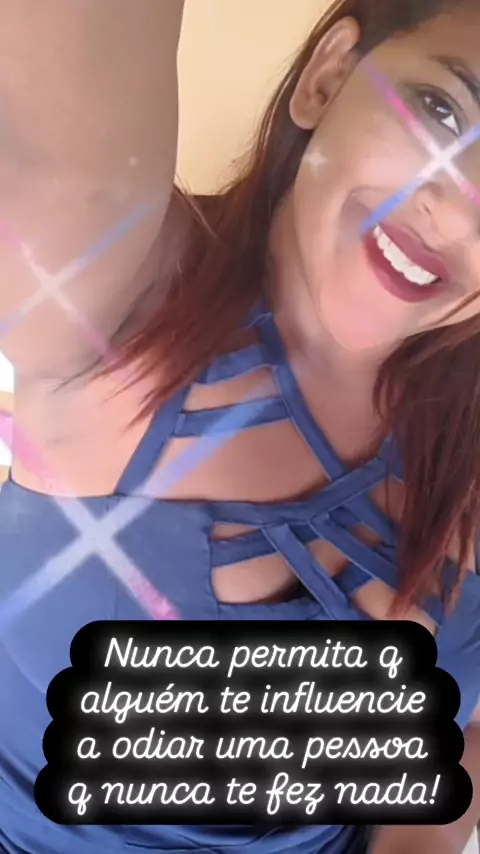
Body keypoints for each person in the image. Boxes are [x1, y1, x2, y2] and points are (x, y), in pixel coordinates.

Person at [0, 0, 479, 851]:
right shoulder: (126, 303)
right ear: (327, 77)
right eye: (444, 112)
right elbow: (66, 152)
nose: (465, 215)